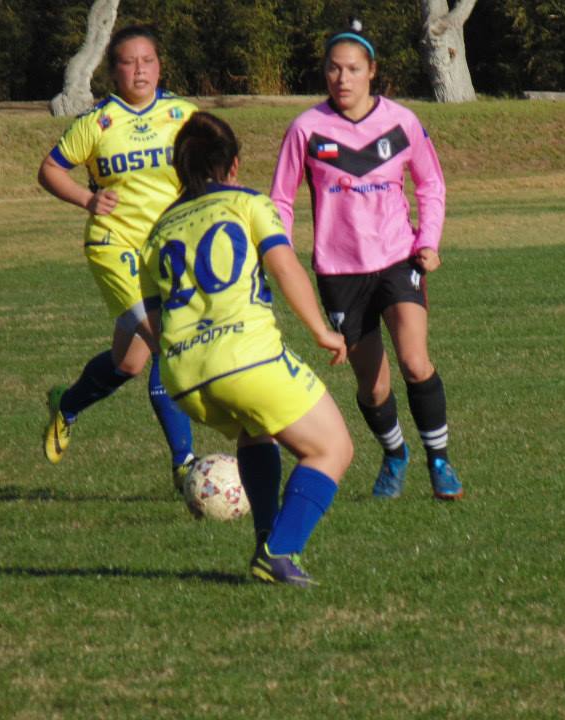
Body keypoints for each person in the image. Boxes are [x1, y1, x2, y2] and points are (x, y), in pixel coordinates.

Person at [139, 111, 354, 587]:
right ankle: (281, 551)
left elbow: (150, 320)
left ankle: (264, 545)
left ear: (180, 170)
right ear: (232, 165)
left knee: (257, 432)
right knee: (332, 448)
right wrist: (321, 329)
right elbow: (285, 267)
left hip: (183, 377)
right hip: (246, 359)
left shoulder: (156, 233)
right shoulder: (247, 203)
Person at [270, 19, 463, 500]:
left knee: (416, 362)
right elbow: (280, 200)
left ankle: (439, 461)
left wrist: (429, 239)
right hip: (339, 272)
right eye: (334, 69)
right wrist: (278, 249)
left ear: (372, 72)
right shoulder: (307, 129)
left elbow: (431, 183)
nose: (343, 78)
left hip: (399, 259)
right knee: (373, 388)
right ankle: (395, 454)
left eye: (353, 69)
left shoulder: (401, 122)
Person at [37, 25, 197, 488]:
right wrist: (86, 200)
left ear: (159, 65)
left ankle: (67, 406)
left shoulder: (183, 114)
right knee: (169, 343)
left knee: (128, 364)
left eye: (147, 60)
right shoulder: (98, 122)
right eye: (128, 62)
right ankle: (184, 465)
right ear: (113, 71)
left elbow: (217, 162)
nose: (139, 69)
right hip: (115, 246)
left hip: (170, 249)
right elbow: (50, 169)